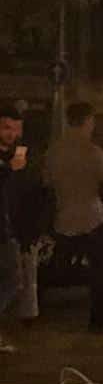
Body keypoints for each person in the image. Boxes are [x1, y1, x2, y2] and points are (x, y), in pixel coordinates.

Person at [44, 102, 103, 331]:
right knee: (100, 269)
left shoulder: (54, 151)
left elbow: (46, 181)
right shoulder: (93, 152)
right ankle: (99, 317)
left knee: (56, 265)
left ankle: (34, 305)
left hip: (63, 215)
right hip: (92, 216)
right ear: (88, 121)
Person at [0, 110, 31, 351]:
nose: (11, 134)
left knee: (14, 280)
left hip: (9, 227)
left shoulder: (16, 157)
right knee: (12, 279)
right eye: (6, 128)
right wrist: (10, 169)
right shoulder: (8, 164)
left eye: (15, 129)